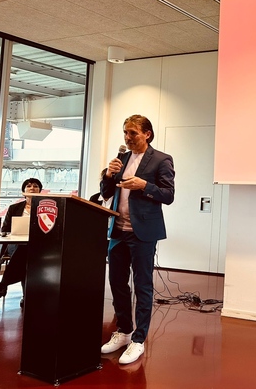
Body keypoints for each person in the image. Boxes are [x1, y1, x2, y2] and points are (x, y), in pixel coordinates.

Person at [99, 115, 175, 365]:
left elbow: (168, 195)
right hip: (118, 232)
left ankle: (139, 339)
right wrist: (108, 176)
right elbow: (106, 193)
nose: (127, 137)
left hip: (142, 233)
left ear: (147, 134)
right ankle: (124, 331)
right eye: (125, 132)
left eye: (133, 133)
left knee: (142, 286)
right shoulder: (121, 159)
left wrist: (144, 185)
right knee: (117, 283)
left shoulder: (161, 160)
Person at [0, 178, 43, 306]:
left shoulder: (45, 208)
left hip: (38, 244)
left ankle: (4, 284)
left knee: (26, 252)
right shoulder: (14, 208)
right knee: (24, 251)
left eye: (35, 186)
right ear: (23, 190)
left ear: (40, 190)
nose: (32, 188)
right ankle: (25, 296)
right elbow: (5, 229)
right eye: (29, 186)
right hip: (16, 244)